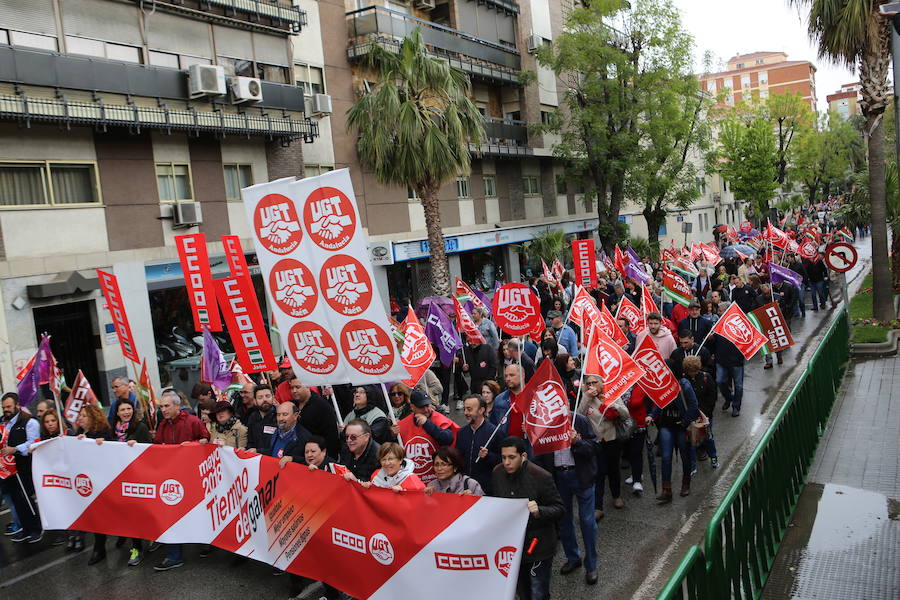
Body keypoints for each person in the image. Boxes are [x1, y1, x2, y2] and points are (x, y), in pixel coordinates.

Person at [491, 436, 564, 600]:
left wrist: (540, 511)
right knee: (521, 592)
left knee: (539, 592)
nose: (507, 463)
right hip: (513, 547)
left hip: (539, 546)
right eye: (503, 458)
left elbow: (560, 509)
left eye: (511, 457)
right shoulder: (497, 473)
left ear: (523, 456)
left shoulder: (541, 476)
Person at [533, 409, 598, 585]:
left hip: (580, 476)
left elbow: (593, 447)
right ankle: (573, 557)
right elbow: (539, 453)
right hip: (559, 477)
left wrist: (577, 441)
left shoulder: (580, 420)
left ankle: (591, 566)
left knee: (587, 521)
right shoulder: (544, 424)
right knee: (563, 520)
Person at [153, 389, 209, 571]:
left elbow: (206, 441)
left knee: (197, 511)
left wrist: (191, 446)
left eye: (167, 406)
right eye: (161, 407)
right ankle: (173, 555)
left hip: (192, 476)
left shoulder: (192, 421)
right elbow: (158, 448)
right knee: (170, 514)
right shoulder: (161, 425)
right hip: (170, 478)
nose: (163, 409)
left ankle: (206, 542)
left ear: (177, 405)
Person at [579, 376, 630, 515]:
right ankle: (598, 506)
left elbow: (626, 415)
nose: (591, 385)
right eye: (588, 383)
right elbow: (579, 416)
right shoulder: (586, 397)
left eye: (594, 382)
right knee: (598, 474)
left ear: (601, 383)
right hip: (596, 441)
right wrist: (586, 397)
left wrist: (613, 405)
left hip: (612, 439)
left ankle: (616, 496)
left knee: (614, 470)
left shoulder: (611, 395)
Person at [646, 377, 699, 503]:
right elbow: (660, 402)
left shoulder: (684, 385)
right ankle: (666, 490)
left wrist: (685, 421)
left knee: (685, 455)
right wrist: (652, 415)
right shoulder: (663, 384)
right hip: (666, 425)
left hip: (681, 427)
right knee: (666, 457)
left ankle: (686, 484)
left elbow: (693, 405)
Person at [74, 404, 114, 564]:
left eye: (84, 415)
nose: (80, 419)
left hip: (106, 481)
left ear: (93, 417)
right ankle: (99, 548)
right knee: (97, 516)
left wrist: (100, 443)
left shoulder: (103, 433)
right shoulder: (79, 434)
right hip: (90, 483)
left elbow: (115, 449)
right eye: (80, 416)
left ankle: (130, 541)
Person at [1, 393, 42, 544]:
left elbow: (33, 443)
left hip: (24, 468)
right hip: (8, 470)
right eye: (4, 407)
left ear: (17, 405)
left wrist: (15, 449)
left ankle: (36, 529)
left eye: (9, 407)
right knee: (16, 500)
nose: (6, 410)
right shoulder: (3, 423)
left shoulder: (29, 422)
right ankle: (25, 528)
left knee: (26, 499)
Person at [395, 390, 458, 487]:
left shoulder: (440, 419)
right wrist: (391, 434)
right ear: (412, 407)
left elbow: (448, 439)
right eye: (421, 407)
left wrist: (427, 424)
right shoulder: (402, 425)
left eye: (428, 405)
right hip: (415, 482)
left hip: (439, 481)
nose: (426, 410)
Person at [454, 394, 499, 494]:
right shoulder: (461, 433)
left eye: (469, 409)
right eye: (465, 409)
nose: (465, 413)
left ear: (481, 410)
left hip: (486, 489)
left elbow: (502, 460)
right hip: (465, 487)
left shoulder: (494, 432)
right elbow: (458, 458)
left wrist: (488, 456)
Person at [683, 356, 719, 469]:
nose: (692, 374)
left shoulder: (706, 377)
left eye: (694, 371)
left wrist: (705, 414)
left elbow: (712, 397)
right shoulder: (684, 380)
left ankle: (713, 457)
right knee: (691, 443)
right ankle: (692, 466)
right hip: (691, 416)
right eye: (690, 371)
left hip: (705, 416)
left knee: (708, 438)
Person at [290, 377, 340, 456]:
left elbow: (331, 437)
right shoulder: (292, 405)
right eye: (292, 388)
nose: (294, 391)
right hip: (298, 455)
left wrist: (327, 460)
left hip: (317, 457)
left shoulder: (322, 406)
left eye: (297, 387)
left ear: (307, 386)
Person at [359, 442, 425, 492]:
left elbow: (422, 502)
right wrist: (368, 488)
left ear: (400, 460)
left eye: (391, 459)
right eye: (383, 459)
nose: (387, 463)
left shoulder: (412, 479)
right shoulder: (376, 476)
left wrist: (404, 493)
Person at [265, 402, 312, 468]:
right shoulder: (275, 431)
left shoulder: (305, 437)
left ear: (295, 415)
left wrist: (293, 459)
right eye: (278, 415)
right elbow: (272, 451)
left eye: (285, 414)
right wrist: (257, 451)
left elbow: (311, 461)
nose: (280, 418)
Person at [624, 386, 650, 496]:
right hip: (623, 425)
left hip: (638, 424)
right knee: (628, 451)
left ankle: (637, 480)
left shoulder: (641, 386)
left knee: (636, 452)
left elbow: (637, 403)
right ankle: (635, 473)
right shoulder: (620, 385)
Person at [462, 338, 497, 404]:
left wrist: (488, 382)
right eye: (471, 340)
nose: (473, 343)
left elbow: (493, 366)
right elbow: (466, 371)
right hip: (474, 385)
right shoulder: (466, 351)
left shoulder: (487, 348)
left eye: (475, 340)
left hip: (487, 383)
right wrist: (465, 369)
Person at [246, 384, 277, 453]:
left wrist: (258, 451)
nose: (265, 399)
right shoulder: (252, 417)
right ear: (255, 401)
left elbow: (279, 447)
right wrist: (246, 449)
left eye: (267, 396)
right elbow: (250, 441)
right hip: (255, 459)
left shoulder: (279, 416)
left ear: (273, 398)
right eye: (260, 397)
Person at [493, 364, 523, 434]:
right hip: (506, 442)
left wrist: (531, 428)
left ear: (522, 375)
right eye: (506, 376)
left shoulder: (533, 397)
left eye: (512, 375)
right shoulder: (499, 399)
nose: (508, 379)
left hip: (527, 443)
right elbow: (494, 426)